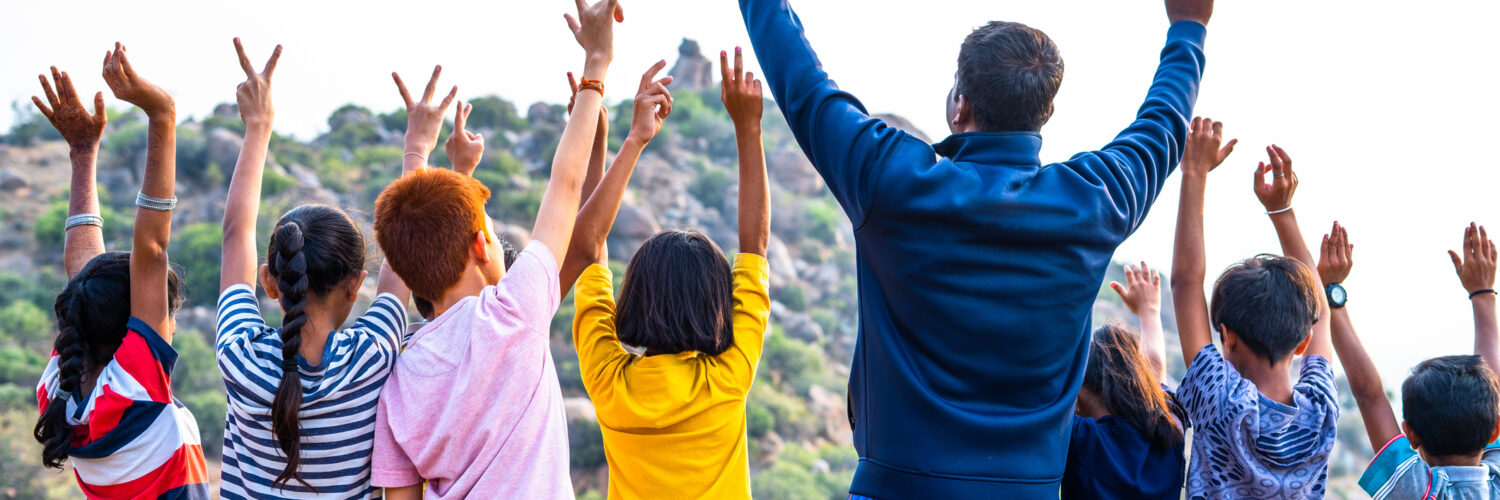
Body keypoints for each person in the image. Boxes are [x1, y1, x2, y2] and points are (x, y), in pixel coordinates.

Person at [737, 0, 1215, 495]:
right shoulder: (1093, 202)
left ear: (960, 104)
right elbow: (1162, 124)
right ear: (1044, 114)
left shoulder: (893, 180)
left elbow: (803, 83)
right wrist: (1188, 28)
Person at [368, 1, 620, 497]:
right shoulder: (513, 312)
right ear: (482, 246)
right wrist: (596, 66)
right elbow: (565, 186)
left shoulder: (396, 380)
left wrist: (454, 174)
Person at [567, 49, 772, 499]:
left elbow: (588, 249)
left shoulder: (610, 382)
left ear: (634, 296)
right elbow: (754, 247)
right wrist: (748, 127)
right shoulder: (727, 377)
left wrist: (599, 139)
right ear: (719, 303)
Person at [214, 39, 413, 498]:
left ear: (269, 280)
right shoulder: (372, 357)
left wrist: (258, 128)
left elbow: (234, 234)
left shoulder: (239, 356)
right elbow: (399, 262)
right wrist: (416, 147)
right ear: (355, 286)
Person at [33, 44, 211, 498]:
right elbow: (150, 245)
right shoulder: (135, 386)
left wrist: (82, 151)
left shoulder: (65, 396)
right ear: (137, 324)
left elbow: (83, 271)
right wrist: (161, 114)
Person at [1171, 118, 1340, 498]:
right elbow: (1322, 310)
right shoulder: (1320, 411)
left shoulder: (1219, 398)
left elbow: (1184, 284)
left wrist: (1194, 172)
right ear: (1303, 343)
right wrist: (1283, 211)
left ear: (1227, 337)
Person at [1347, 223, 1500, 498]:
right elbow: (1368, 394)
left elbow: (1369, 395)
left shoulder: (1417, 491)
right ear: (1495, 430)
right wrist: (1482, 293)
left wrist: (1329, 296)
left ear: (1411, 435)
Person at [1064, 263, 1187, 499]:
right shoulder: (1169, 436)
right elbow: (1156, 369)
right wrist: (1149, 309)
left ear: (1079, 393)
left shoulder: (1082, 439)